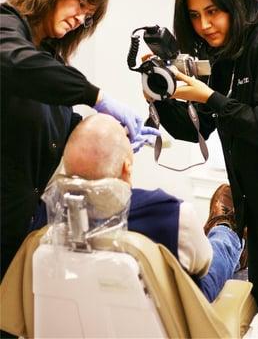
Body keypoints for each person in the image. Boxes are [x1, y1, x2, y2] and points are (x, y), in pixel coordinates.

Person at [149, 0, 258, 338]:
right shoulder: (223, 55)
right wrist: (161, 95)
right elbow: (193, 130)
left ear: (235, 1)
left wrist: (211, 97)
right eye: (195, 16)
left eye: (213, 12)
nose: (204, 26)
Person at [0, 0, 159, 282]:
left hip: (24, 222)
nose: (81, 18)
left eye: (88, 17)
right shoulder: (6, 27)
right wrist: (98, 98)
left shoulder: (48, 60)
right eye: (82, 3)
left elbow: (56, 126)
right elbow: (18, 65)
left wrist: (112, 133)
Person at [61, 113, 245, 303]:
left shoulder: (47, 216)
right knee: (217, 250)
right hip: (164, 322)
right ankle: (228, 231)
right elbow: (203, 264)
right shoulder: (170, 214)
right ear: (127, 167)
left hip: (87, 314)